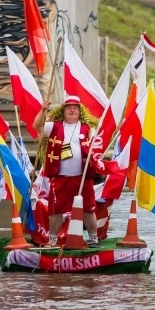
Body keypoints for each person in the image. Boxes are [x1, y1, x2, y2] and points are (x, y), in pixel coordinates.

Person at [33, 95, 101, 248]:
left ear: (79, 111)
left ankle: (93, 239)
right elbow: (37, 126)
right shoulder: (54, 126)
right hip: (60, 177)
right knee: (56, 210)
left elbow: (98, 146)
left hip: (83, 177)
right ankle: (52, 240)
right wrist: (43, 109)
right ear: (63, 111)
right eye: (69, 107)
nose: (72, 110)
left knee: (88, 209)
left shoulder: (88, 128)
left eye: (75, 107)